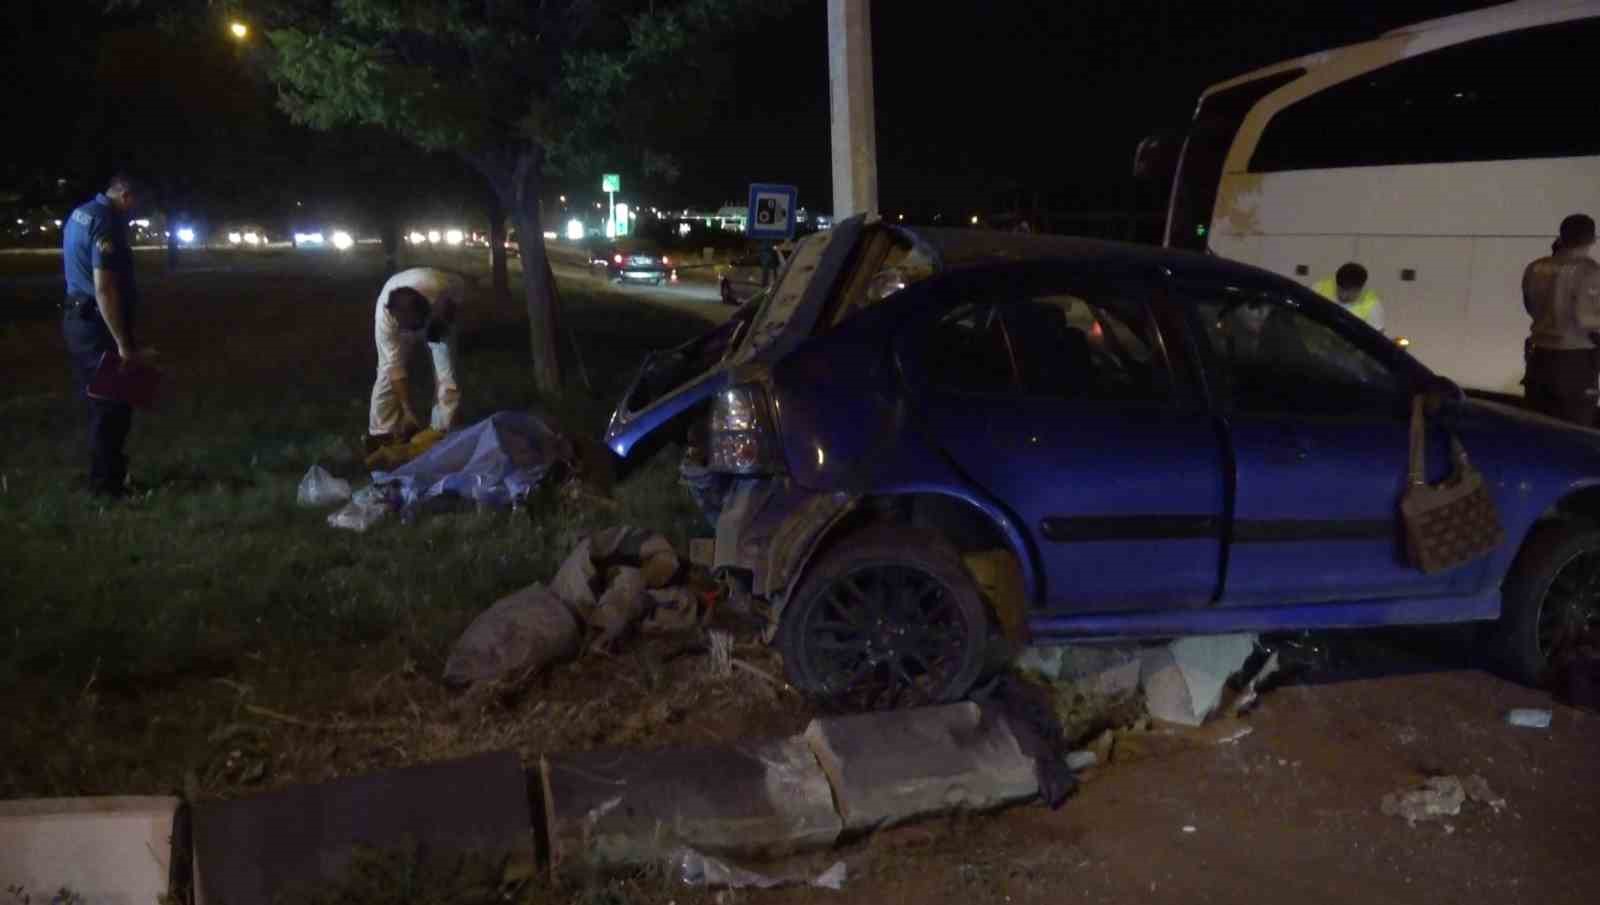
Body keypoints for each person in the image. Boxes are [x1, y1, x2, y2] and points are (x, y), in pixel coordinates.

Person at [61, 173, 146, 498]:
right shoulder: (106, 224)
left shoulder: (79, 213)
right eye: (133, 201)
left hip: (76, 319)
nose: (133, 209)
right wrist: (124, 344)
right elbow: (105, 288)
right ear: (123, 193)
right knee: (113, 406)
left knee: (100, 404)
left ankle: (105, 476)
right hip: (98, 326)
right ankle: (106, 487)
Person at [368, 267, 467, 447]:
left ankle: (442, 427)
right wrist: (407, 410)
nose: (412, 335)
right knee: (385, 372)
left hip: (438, 314)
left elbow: (455, 302)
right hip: (405, 311)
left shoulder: (441, 293)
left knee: (447, 372)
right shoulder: (386, 320)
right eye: (406, 329)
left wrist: (438, 326)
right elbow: (394, 367)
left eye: (413, 328)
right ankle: (382, 432)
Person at [1523, 214, 1600, 427]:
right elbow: (1587, 319)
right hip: (1576, 364)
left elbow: (1530, 306)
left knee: (1536, 427)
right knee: (1574, 434)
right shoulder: (1590, 271)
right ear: (1592, 240)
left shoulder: (1535, 268)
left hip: (1539, 360)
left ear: (1561, 236)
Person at [1314, 262, 1385, 331]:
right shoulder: (1319, 288)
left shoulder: (1373, 306)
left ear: (1360, 289)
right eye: (1340, 290)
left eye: (1349, 293)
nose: (1343, 296)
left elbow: (1376, 337)